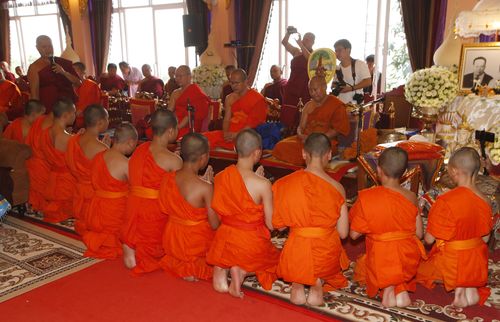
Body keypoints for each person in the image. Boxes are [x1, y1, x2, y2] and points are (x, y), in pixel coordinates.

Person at [272, 133, 349, 306]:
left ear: (303, 154)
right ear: (329, 155)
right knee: (324, 247)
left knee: (298, 245)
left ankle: (298, 283)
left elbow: (280, 226)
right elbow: (343, 233)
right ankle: (317, 281)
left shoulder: (284, 184)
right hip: (326, 255)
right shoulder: (337, 188)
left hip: (296, 253)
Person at [207, 129, 280, 298]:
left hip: (224, 239)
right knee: (275, 260)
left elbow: (222, 209)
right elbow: (270, 224)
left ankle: (221, 267)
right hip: (250, 241)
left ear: (234, 149)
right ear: (258, 153)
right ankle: (241, 271)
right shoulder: (262, 184)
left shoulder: (220, 177)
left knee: (228, 249)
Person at [416, 147, 493, 308]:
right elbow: (485, 238)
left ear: (453, 171)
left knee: (418, 270)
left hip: (452, 264)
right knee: (469, 250)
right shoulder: (485, 201)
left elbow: (429, 240)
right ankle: (468, 284)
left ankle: (459, 288)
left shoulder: (445, 200)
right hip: (477, 263)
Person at [349, 147, 425, 308]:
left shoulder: (368, 197)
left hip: (381, 259)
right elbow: (419, 233)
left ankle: (389, 288)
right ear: (404, 172)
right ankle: (399, 286)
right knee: (396, 252)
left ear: (378, 169)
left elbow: (354, 235)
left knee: (367, 261)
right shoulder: (411, 197)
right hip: (407, 258)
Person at [121, 109, 183, 274]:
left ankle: (130, 244)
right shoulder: (174, 160)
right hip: (154, 213)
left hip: (131, 208)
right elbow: (178, 193)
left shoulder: (139, 150)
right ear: (170, 130)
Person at [159, 133, 220, 281]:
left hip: (172, 238)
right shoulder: (205, 188)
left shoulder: (167, 177)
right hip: (195, 243)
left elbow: (164, 208)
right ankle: (191, 267)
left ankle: (182, 264)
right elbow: (214, 224)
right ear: (204, 157)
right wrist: (211, 187)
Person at [83, 123, 138, 259]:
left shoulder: (98, 156)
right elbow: (136, 189)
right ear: (130, 142)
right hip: (114, 212)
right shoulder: (125, 163)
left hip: (94, 209)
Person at [272, 76, 350, 166]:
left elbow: (337, 129)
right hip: (306, 140)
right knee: (280, 146)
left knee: (315, 152)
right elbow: (301, 127)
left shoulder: (336, 104)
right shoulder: (309, 105)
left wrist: (318, 138)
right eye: (310, 90)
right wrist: (300, 135)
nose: (313, 93)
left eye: (315, 89)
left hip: (325, 141)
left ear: (324, 87)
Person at [65, 104, 110, 234]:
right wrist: (109, 151)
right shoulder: (101, 148)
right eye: (107, 119)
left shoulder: (74, 140)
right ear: (101, 122)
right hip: (94, 196)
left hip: (79, 192)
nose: (109, 121)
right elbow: (107, 177)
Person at [204, 69, 268, 150]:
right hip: (230, 133)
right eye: (231, 82)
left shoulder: (258, 99)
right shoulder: (229, 98)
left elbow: (253, 124)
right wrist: (225, 133)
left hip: (248, 134)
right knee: (204, 138)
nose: (234, 86)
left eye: (237, 83)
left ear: (246, 81)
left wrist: (236, 134)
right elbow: (226, 119)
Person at [40, 99, 77, 223]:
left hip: (52, 176)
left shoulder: (45, 132)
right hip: (66, 180)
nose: (75, 116)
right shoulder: (66, 138)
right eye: (74, 113)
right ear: (66, 115)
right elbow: (78, 160)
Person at [27, 35, 81, 113]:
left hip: (68, 106)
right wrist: (37, 115)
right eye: (44, 47)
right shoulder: (34, 67)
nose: (48, 49)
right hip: (49, 109)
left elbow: (78, 83)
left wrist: (64, 72)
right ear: (37, 48)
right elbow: (34, 94)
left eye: (50, 46)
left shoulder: (63, 63)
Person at [168, 65, 210, 138]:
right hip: (176, 121)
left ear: (189, 76)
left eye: (180, 76)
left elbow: (190, 115)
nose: (178, 79)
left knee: (176, 134)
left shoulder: (195, 91)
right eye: (176, 76)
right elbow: (169, 111)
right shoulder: (175, 92)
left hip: (191, 124)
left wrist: (177, 128)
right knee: (156, 131)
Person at [25, 107, 53, 212]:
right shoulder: (52, 125)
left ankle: (33, 205)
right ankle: (38, 206)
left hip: (31, 160)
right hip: (42, 163)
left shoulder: (40, 120)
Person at [281, 29, 315, 106]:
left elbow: (310, 60)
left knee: (303, 114)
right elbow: (284, 42)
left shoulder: (314, 55)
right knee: (288, 113)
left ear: (313, 42)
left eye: (307, 39)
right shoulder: (297, 51)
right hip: (291, 87)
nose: (304, 41)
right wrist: (288, 33)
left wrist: (300, 44)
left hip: (305, 89)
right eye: (303, 38)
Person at [331, 39, 371, 104]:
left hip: (356, 107)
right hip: (341, 105)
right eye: (336, 51)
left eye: (339, 50)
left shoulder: (359, 64)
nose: (337, 53)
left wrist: (351, 88)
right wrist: (334, 86)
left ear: (348, 50)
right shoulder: (337, 68)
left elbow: (368, 81)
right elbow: (334, 84)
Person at [73, 62, 102, 129]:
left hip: (88, 121)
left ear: (83, 72)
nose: (72, 73)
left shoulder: (91, 85)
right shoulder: (71, 86)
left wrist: (80, 112)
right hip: (72, 120)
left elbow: (94, 105)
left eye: (75, 70)